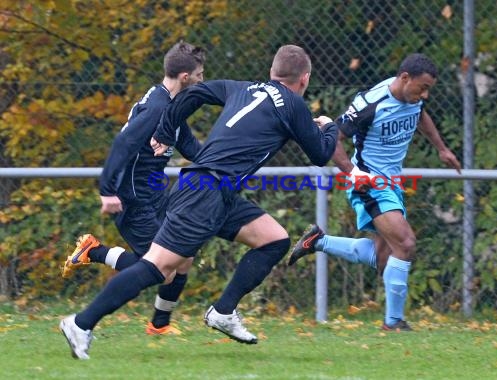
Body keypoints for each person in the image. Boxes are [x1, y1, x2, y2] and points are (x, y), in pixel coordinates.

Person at [59, 44, 339, 359]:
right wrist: (330, 126)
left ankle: (222, 311)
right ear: (304, 79)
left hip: (216, 190)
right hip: (204, 193)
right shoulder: (294, 105)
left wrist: (166, 132)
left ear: (272, 73)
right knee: (157, 268)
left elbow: (195, 94)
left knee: (275, 239)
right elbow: (320, 155)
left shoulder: (244, 88)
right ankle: (81, 324)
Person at [288, 53, 462, 331]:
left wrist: (441, 148)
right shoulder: (370, 104)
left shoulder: (412, 100)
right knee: (405, 243)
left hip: (392, 184)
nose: (425, 95)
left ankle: (318, 241)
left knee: (384, 258)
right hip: (370, 184)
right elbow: (333, 138)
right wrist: (353, 174)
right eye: (423, 87)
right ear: (405, 78)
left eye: (429, 89)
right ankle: (393, 323)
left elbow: (421, 117)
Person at [61, 41, 206, 336]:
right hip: (134, 199)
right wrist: (108, 190)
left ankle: (159, 324)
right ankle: (95, 252)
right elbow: (124, 144)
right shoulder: (156, 107)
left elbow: (191, 146)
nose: (203, 81)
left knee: (185, 254)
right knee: (159, 268)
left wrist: (227, 159)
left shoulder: (172, 105)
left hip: (155, 194)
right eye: (200, 75)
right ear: (185, 78)